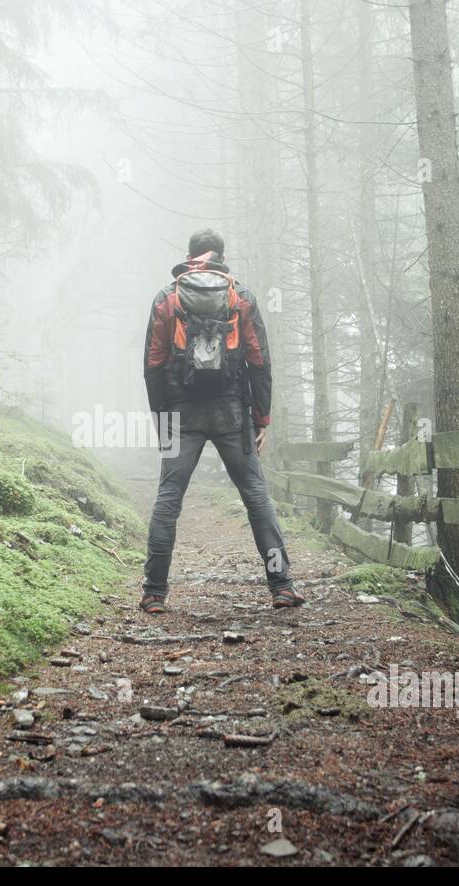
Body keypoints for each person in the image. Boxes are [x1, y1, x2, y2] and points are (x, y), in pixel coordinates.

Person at [138, 228, 305, 614]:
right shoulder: (240, 297)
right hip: (232, 412)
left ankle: (154, 593)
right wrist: (261, 417)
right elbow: (259, 360)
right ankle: (281, 586)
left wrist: (161, 419)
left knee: (168, 498)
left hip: (181, 412)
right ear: (221, 256)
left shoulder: (167, 298)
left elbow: (153, 364)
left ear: (190, 255)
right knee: (256, 496)